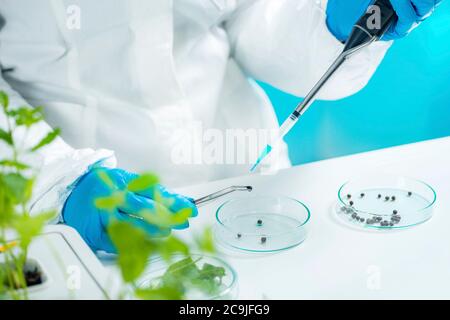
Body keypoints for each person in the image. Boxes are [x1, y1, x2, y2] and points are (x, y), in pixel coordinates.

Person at [0, 0, 440, 252]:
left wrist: (330, 26)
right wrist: (54, 180)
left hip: (249, 188)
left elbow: (251, 16)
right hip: (75, 222)